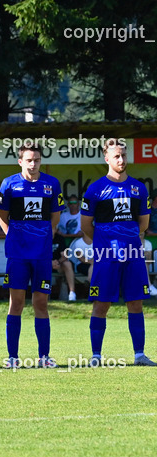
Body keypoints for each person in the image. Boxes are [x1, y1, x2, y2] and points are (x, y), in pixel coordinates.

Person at [80, 140, 155, 366]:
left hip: (133, 255)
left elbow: (143, 224)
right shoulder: (94, 189)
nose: (121, 160)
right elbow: (86, 226)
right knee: (101, 304)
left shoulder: (139, 188)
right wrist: (105, 243)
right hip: (106, 257)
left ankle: (139, 355)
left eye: (123, 155)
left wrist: (126, 238)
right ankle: (95, 356)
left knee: (136, 303)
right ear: (107, 159)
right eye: (116, 156)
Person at [0, 144, 65, 369]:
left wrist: (46, 235)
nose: (33, 164)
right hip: (17, 254)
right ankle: (12, 357)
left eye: (36, 160)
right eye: (29, 160)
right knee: (15, 304)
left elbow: (55, 216)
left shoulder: (52, 184)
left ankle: (44, 356)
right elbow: (2, 216)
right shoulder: (9, 184)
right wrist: (12, 236)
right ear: (20, 162)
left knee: (41, 304)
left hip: (42, 254)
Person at [55, 195, 83, 301]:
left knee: (69, 264)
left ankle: (72, 294)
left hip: (78, 245)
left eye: (74, 203)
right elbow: (58, 230)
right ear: (67, 205)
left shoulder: (83, 215)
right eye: (70, 203)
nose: (72, 205)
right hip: (65, 244)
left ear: (78, 204)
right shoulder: (63, 216)